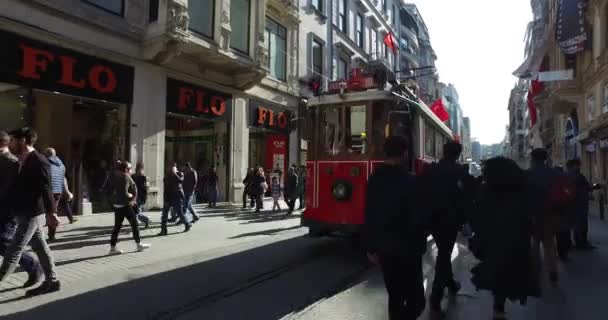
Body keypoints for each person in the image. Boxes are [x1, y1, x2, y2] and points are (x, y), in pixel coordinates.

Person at [469, 157, 539, 320]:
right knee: (512, 270)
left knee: (497, 271)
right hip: (517, 238)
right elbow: (529, 213)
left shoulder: (485, 190)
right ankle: (502, 304)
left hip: (493, 239)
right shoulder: (521, 189)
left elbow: (477, 215)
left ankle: (498, 307)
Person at [365, 136, 427, 320]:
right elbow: (418, 218)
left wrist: (370, 247)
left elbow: (370, 214)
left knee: (395, 298)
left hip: (385, 248)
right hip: (408, 249)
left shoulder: (374, 179)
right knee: (417, 301)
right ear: (404, 153)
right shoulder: (411, 181)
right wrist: (421, 243)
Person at [0, 127, 60, 296]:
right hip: (22, 211)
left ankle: (50, 281)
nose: (10, 143)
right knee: (40, 247)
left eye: (12, 140)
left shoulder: (39, 160)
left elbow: (46, 188)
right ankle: (52, 281)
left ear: (22, 141)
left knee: (14, 249)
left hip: (32, 212)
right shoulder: (21, 159)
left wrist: (52, 213)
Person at [420, 141, 473, 316]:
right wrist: (466, 221)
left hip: (433, 219)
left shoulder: (431, 170)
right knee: (444, 255)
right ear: (458, 154)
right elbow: (465, 200)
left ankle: (450, 283)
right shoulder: (460, 172)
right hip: (450, 220)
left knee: (444, 251)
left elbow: (423, 193)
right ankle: (435, 296)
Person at [0, 131, 43, 289]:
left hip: (6, 210)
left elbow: (9, 188)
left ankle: (33, 267)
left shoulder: (11, 161)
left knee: (5, 244)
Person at [527, 148, 560, 283]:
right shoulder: (553, 173)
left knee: (534, 244)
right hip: (550, 213)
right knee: (549, 244)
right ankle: (552, 270)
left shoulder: (528, 174)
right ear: (546, 158)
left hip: (533, 214)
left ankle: (536, 270)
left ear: (533, 159)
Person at [106, 161, 150, 255]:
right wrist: (131, 197)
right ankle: (139, 245)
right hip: (125, 205)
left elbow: (109, 189)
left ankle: (112, 248)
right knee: (134, 224)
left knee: (117, 227)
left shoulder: (114, 176)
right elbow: (127, 192)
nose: (131, 170)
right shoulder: (125, 177)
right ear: (126, 169)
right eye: (129, 169)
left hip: (117, 206)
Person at [44, 148, 76, 242]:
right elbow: (63, 180)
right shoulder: (61, 165)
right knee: (53, 212)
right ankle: (51, 235)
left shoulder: (45, 164)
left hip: (48, 191)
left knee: (46, 214)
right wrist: (67, 192)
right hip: (57, 192)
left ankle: (46, 235)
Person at [567, 158, 598, 250]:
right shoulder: (578, 176)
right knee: (581, 225)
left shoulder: (567, 175)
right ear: (573, 166)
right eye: (578, 165)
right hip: (580, 204)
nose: (579, 167)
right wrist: (597, 186)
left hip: (574, 204)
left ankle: (579, 243)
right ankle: (582, 244)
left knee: (577, 225)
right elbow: (587, 186)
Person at [159, 163, 191, 236]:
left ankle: (187, 224)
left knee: (180, 213)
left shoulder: (180, 174)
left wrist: (174, 174)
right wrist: (164, 199)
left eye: (173, 167)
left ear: (176, 168)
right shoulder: (167, 176)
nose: (171, 169)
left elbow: (181, 181)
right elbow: (165, 187)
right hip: (168, 197)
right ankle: (163, 230)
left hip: (176, 197)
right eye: (169, 167)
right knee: (164, 214)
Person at [131, 163, 151, 229]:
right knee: (135, 212)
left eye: (140, 169)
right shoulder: (133, 176)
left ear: (142, 169)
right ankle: (145, 221)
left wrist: (144, 198)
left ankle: (146, 220)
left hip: (140, 198)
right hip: (134, 197)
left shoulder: (144, 178)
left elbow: (146, 189)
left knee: (137, 213)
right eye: (137, 168)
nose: (138, 170)